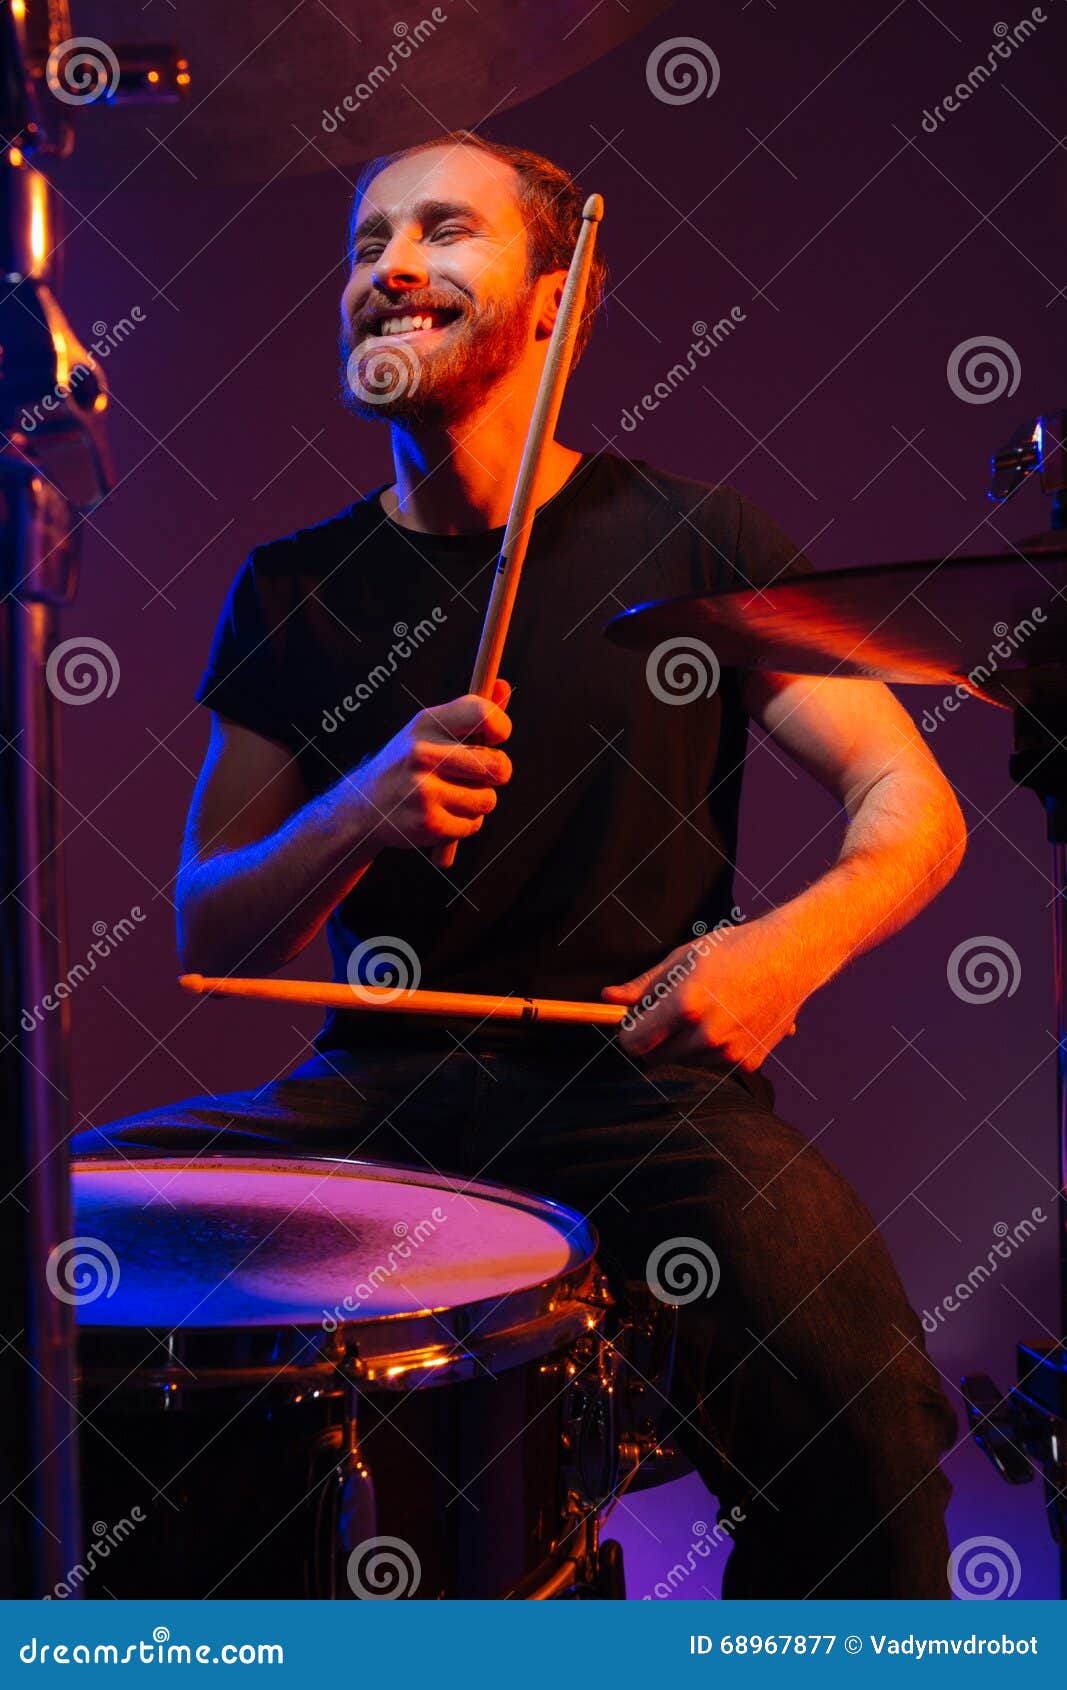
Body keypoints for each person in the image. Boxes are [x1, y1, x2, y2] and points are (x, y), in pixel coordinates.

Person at [77, 130, 967, 1598]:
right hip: (372, 1096)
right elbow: (207, 923)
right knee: (64, 1234)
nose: (392, 270)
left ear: (561, 293)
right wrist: (362, 806)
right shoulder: (296, 584)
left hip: (643, 1091)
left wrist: (781, 951)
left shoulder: (693, 541)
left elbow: (908, 801)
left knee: (860, 1408)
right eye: (367, 245)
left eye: (445, 232)